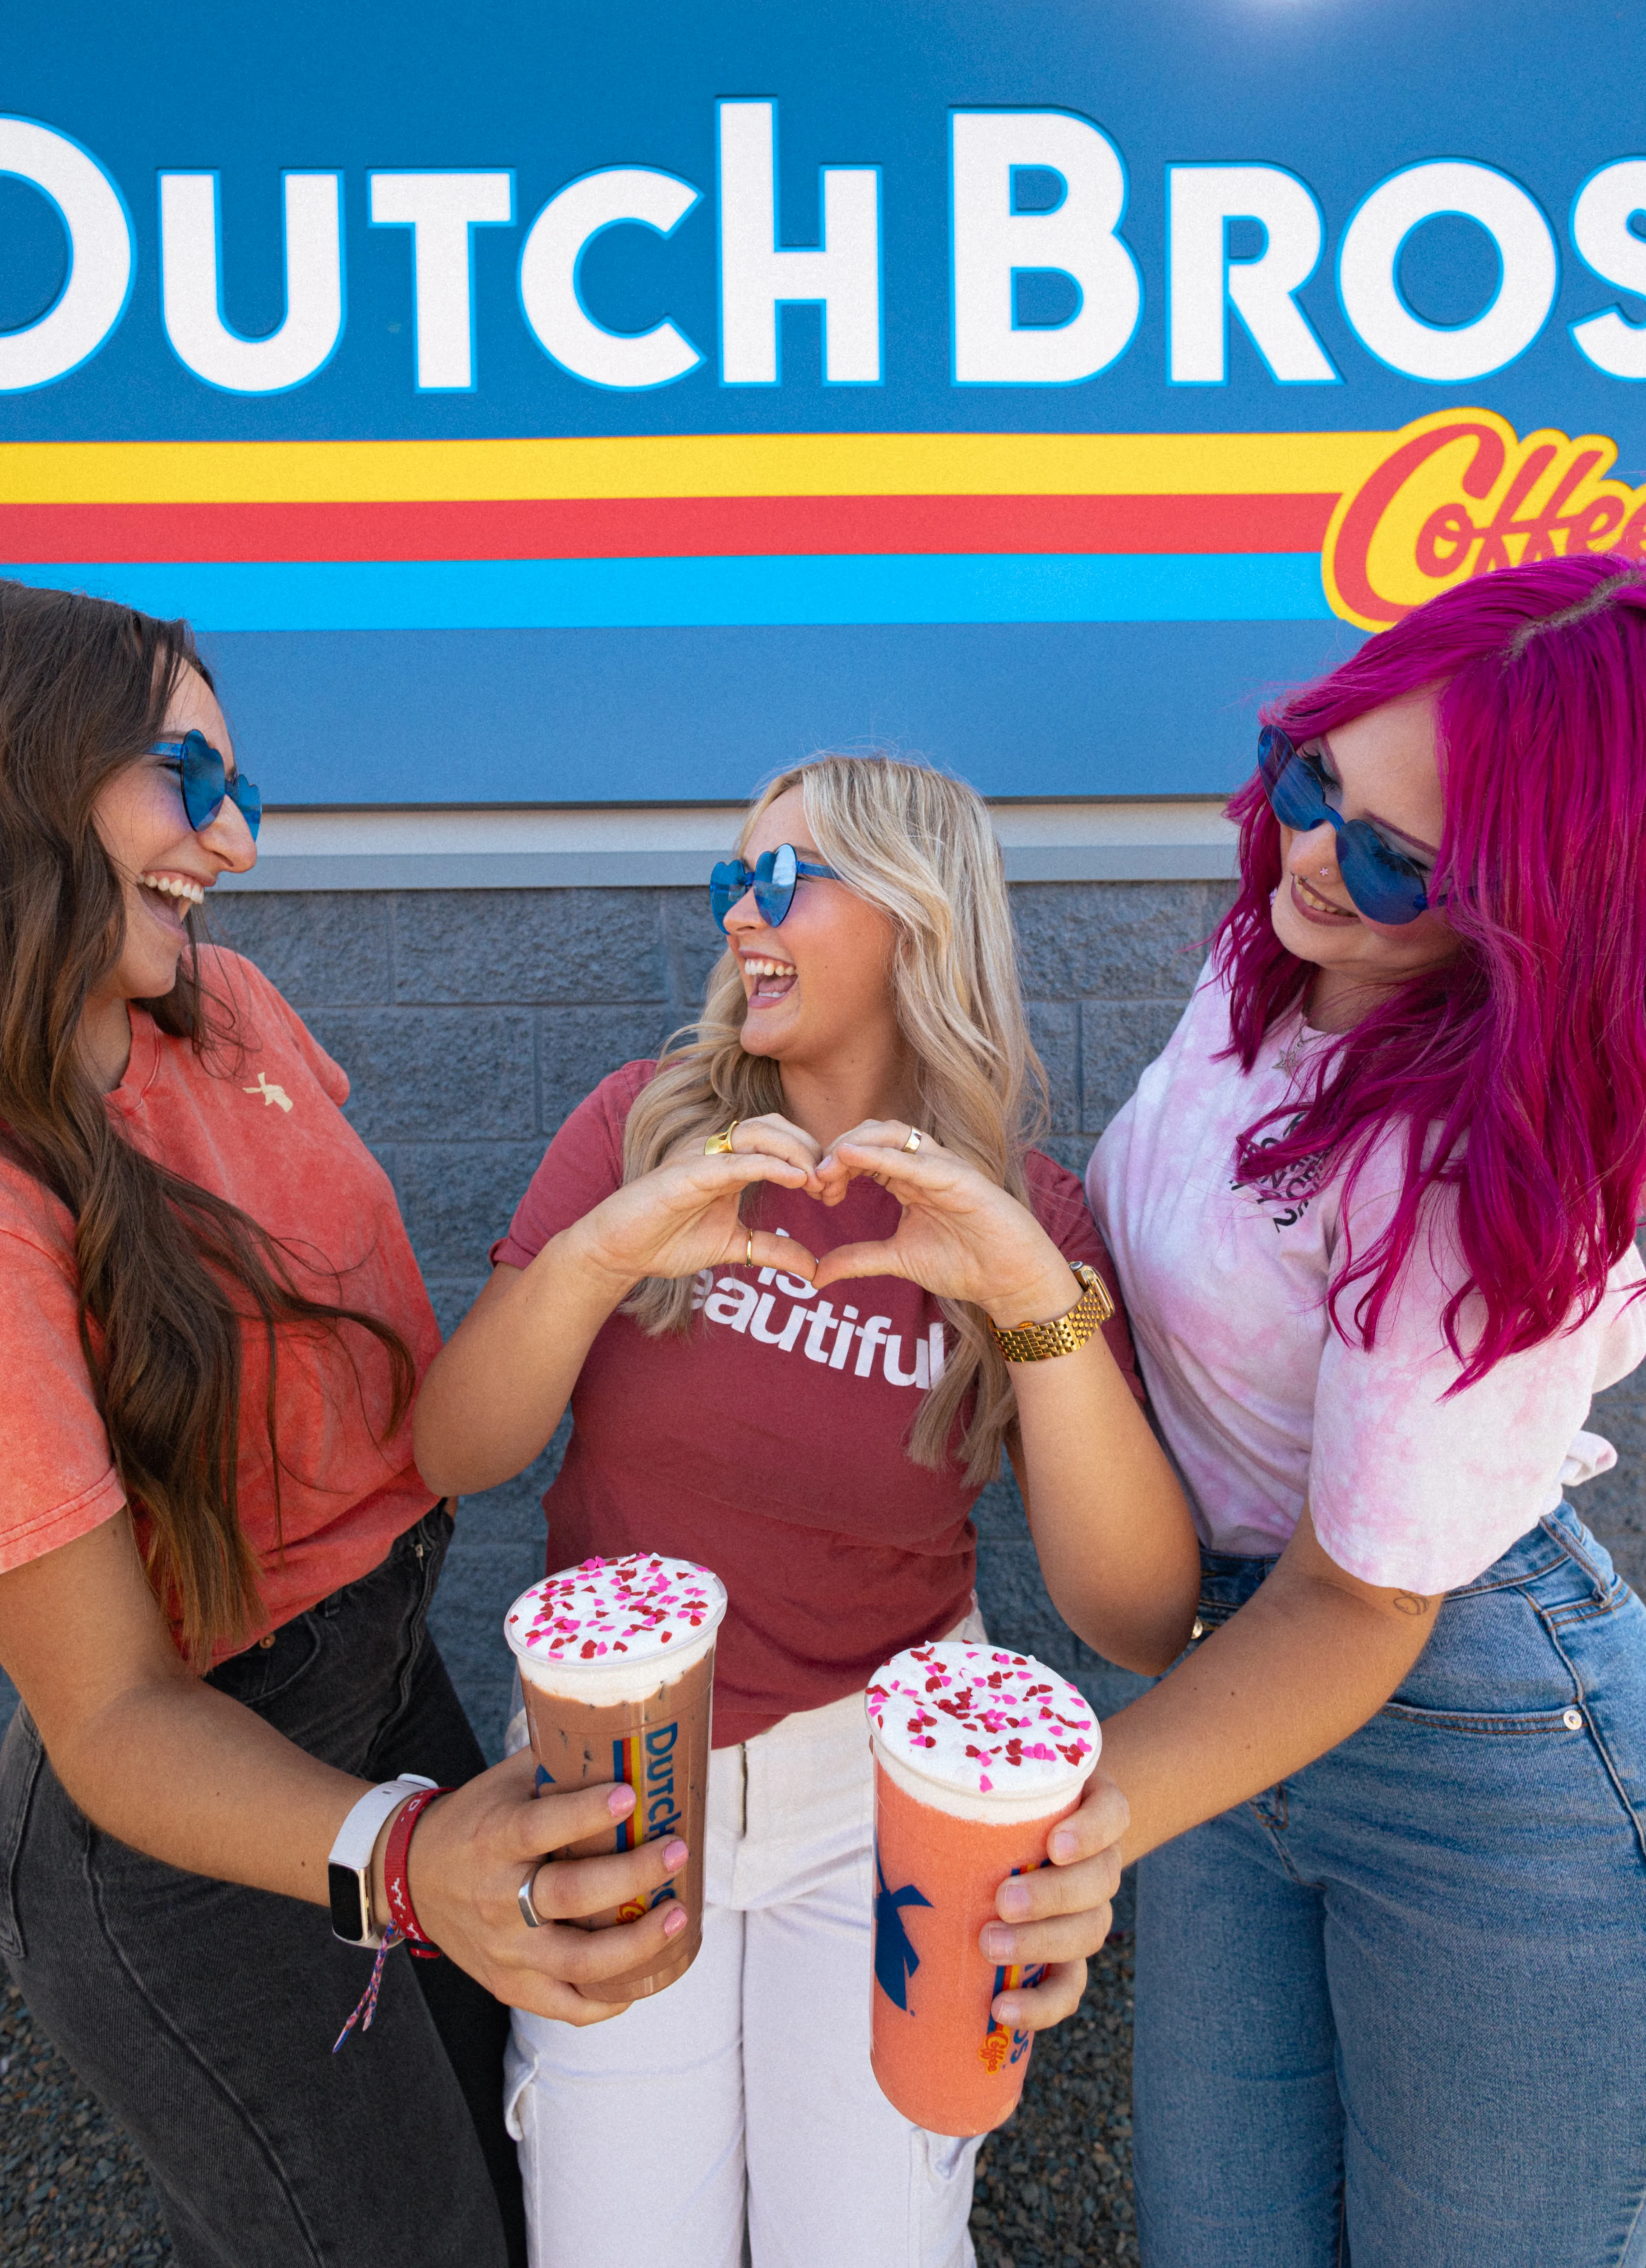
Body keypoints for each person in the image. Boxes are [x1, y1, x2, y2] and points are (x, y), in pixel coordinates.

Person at [414, 751, 1201, 2268]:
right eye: (734, 878)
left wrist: (1031, 1298)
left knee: (867, 2239)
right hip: (614, 1775)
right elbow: (457, 1452)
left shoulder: (1023, 1212)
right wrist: (602, 1252)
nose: (737, 915)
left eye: (780, 879)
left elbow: (1140, 1615)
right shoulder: (639, 1126)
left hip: (885, 1800)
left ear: (916, 914)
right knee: (618, 2240)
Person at [0, 584, 705, 2268]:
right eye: (187, 778)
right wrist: (401, 1859)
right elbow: (109, 1713)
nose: (234, 843)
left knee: (515, 2190)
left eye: (239, 792)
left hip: (389, 1679)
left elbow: (398, 1410)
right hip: (188, 1807)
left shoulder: (226, 1005)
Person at [1083, 554, 1646, 2268]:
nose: (1317, 854)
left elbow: (1366, 1598)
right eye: (1310, 773)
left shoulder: (1479, 1166)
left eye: (1406, 859)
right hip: (1234, 1663)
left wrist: (1049, 1836)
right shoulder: (1276, 950)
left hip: (1465, 1725)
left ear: (1540, 903)